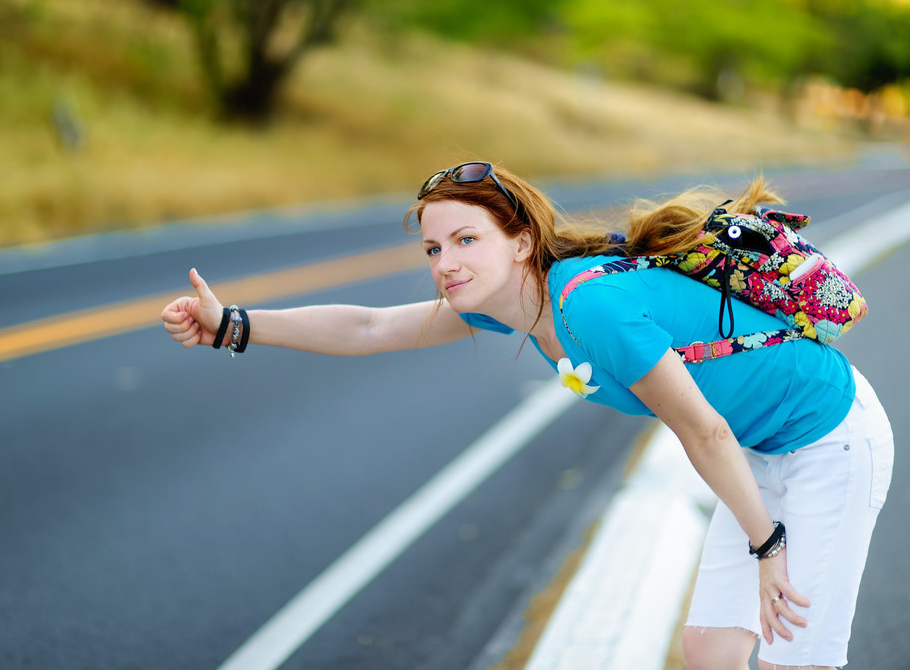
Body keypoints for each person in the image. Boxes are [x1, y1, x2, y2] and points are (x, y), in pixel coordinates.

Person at [160, 161, 893, 670]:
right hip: (759, 449)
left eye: (465, 240)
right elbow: (372, 328)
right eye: (432, 246)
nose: (444, 261)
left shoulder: (588, 305)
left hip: (830, 437)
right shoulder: (512, 307)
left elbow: (699, 429)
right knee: (709, 649)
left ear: (519, 243)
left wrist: (768, 550)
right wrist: (234, 325)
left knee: (796, 653)